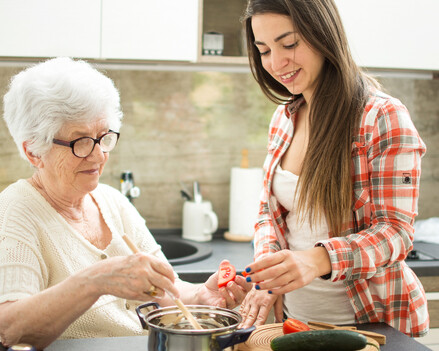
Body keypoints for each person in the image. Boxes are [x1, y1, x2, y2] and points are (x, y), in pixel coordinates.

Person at [0, 57, 251, 349]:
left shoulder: (112, 201)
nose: (98, 156)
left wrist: (200, 296)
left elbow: (168, 289)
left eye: (103, 137)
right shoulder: (14, 212)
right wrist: (94, 281)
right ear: (33, 152)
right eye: (80, 142)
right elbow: (9, 329)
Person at [238, 0, 429, 337]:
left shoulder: (380, 117)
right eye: (264, 49)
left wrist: (316, 259)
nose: (276, 62)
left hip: (373, 327)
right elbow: (270, 213)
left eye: (290, 43)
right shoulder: (284, 119)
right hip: (296, 326)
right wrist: (270, 271)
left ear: (322, 33)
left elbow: (396, 233)